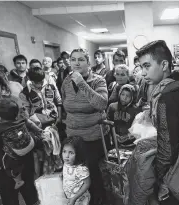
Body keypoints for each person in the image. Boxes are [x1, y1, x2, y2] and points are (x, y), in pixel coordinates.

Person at [136, 40, 179, 205]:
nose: (142, 73)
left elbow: (167, 149)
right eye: (141, 67)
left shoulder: (167, 98)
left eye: (147, 66)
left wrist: (157, 176)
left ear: (164, 64)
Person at [0, 67, 39, 205]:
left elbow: (25, 123)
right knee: (9, 196)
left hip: (23, 158)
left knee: (30, 191)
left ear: (2, 84)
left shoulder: (13, 101)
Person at [61, 48, 108, 205]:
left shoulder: (98, 80)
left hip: (93, 136)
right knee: (76, 173)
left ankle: (98, 200)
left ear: (89, 63)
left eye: (81, 59)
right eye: (73, 59)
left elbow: (101, 103)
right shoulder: (66, 81)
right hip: (73, 137)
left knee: (92, 174)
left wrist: (81, 82)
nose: (76, 62)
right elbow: (64, 104)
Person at [0, 98, 37, 189]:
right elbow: (30, 124)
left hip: (18, 152)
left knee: (8, 164)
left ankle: (18, 181)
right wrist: (38, 130)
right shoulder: (20, 118)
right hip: (31, 143)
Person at [61, 136, 91, 205]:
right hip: (70, 197)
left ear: (78, 153)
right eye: (64, 151)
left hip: (80, 199)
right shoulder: (66, 163)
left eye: (71, 153)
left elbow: (87, 183)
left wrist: (74, 198)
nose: (66, 156)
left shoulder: (81, 169)